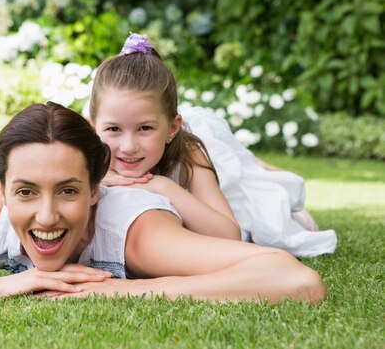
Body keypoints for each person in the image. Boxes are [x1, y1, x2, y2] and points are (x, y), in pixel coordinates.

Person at [0, 102, 326, 303]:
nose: (47, 216)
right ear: (4, 189)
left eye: (69, 191)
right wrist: (11, 284)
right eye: (26, 192)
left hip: (206, 195)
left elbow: (294, 278)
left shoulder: (138, 233)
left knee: (279, 213)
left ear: (97, 189)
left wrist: (112, 295)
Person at [88, 33, 337, 257]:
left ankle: (274, 177)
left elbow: (229, 235)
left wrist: (162, 185)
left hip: (217, 167)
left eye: (145, 129)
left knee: (259, 182)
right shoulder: (83, 152)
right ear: (93, 127)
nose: (129, 146)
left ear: (171, 128)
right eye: (113, 129)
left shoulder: (189, 155)